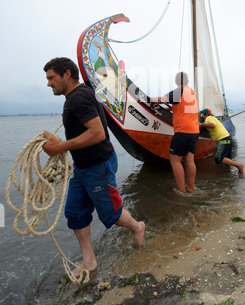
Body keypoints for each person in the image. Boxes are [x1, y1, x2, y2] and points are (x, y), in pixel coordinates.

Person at [42, 57, 145, 280]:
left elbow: (97, 133)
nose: (48, 83)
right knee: (75, 214)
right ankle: (89, 260)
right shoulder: (75, 96)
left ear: (67, 74)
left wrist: (59, 147)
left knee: (112, 215)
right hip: (82, 167)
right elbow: (83, 131)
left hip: (98, 165)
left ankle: (137, 227)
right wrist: (57, 142)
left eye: (51, 78)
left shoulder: (79, 98)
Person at [150, 72, 199, 194]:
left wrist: (145, 99)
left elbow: (161, 99)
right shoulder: (191, 93)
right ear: (187, 81)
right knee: (189, 160)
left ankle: (181, 192)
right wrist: (171, 108)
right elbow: (183, 107)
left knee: (174, 160)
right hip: (194, 131)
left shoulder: (179, 91)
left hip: (183, 131)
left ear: (176, 82)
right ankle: (190, 189)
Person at [200, 108, 244, 173]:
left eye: (202, 115)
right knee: (227, 158)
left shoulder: (208, 118)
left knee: (218, 159)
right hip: (228, 138)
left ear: (205, 114)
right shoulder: (214, 118)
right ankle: (229, 175)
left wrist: (201, 124)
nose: (201, 116)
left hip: (222, 140)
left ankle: (239, 165)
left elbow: (212, 125)